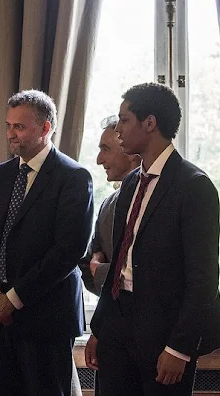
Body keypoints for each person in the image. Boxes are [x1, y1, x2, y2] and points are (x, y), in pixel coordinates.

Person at [87, 82, 220, 396]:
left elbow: (203, 279)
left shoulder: (194, 186)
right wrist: (100, 328)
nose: (118, 129)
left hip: (165, 332)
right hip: (118, 328)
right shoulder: (131, 184)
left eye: (124, 120)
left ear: (149, 123)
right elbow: (120, 263)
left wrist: (179, 348)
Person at [0, 89, 94, 396]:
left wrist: (13, 298)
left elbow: (68, 251)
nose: (10, 134)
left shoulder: (74, 177)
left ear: (45, 128)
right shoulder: (3, 174)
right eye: (8, 125)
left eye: (19, 126)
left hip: (46, 319)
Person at [79, 114, 141, 295]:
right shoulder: (107, 204)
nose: (99, 159)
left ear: (130, 152)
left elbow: (145, 276)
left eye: (105, 149)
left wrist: (100, 269)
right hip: (112, 319)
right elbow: (86, 268)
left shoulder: (157, 202)